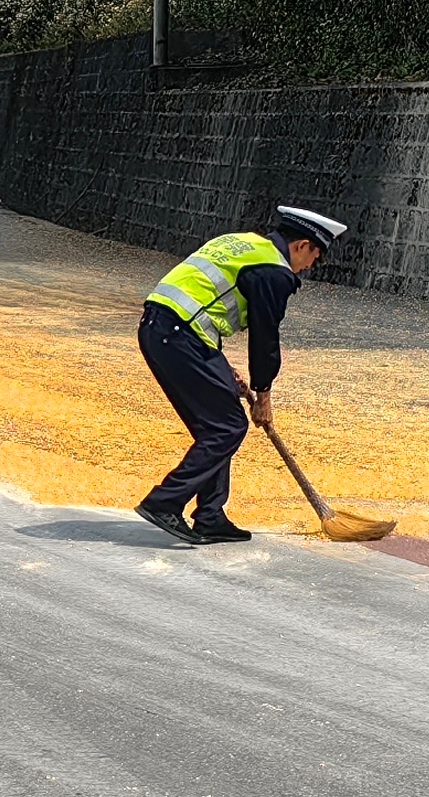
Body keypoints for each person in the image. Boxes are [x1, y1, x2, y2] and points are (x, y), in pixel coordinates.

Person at [134, 205, 347, 544]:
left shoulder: (243, 242)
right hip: (178, 335)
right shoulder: (274, 272)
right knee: (227, 426)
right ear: (302, 245)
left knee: (217, 426)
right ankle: (165, 502)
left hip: (164, 329)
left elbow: (205, 303)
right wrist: (264, 394)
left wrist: (222, 368)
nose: (309, 267)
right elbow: (265, 338)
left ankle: (210, 516)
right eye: (314, 258)